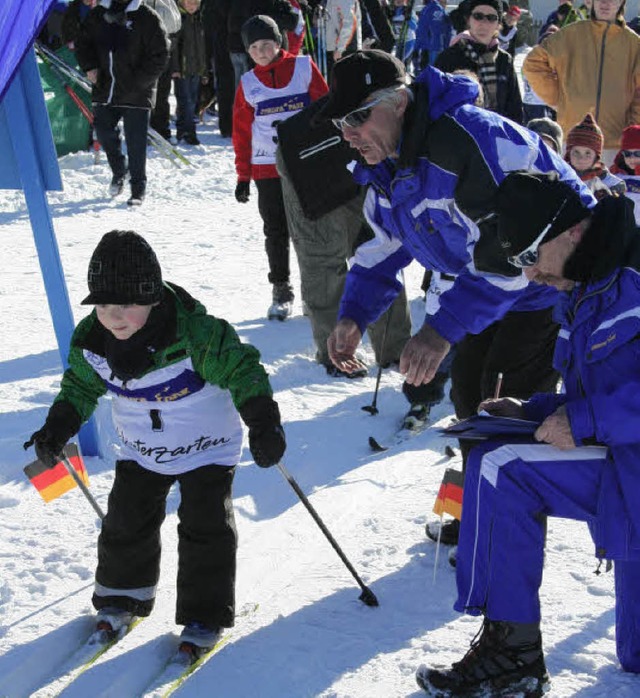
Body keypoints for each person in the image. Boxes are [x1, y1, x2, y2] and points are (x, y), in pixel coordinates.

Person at [317, 50, 593, 545]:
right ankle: (481, 512)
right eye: (341, 121)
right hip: (482, 286)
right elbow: (382, 248)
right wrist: (354, 315)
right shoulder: (387, 165)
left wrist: (438, 330)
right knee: (469, 395)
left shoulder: (469, 141)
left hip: (545, 286)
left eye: (357, 116)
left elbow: (513, 257)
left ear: (399, 101)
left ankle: (508, 529)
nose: (348, 133)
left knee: (505, 402)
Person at [416, 171, 640, 696]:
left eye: (530, 256)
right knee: (636, 658)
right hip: (625, 465)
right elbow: (606, 387)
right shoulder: (589, 287)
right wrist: (533, 410)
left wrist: (583, 422)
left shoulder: (631, 282)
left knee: (505, 470)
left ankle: (511, 656)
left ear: (571, 233)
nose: (531, 274)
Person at [23, 230, 286, 658]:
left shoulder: (199, 335)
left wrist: (263, 422)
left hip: (208, 447)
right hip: (142, 450)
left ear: (152, 298)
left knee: (205, 528)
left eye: (126, 304)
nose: (114, 317)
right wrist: (57, 428)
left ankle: (204, 614)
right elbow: (79, 388)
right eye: (104, 306)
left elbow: (243, 370)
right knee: (124, 523)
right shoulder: (92, 341)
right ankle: (120, 597)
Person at [276, 96, 412, 376]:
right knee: (323, 262)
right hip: (306, 166)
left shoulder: (397, 116)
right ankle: (334, 353)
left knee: (380, 254)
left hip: (359, 166)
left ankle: (394, 350)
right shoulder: (374, 112)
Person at [232, 15, 328, 320]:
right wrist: (243, 176)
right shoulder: (247, 84)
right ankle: (281, 287)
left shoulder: (303, 67)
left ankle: (318, 289)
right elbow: (242, 132)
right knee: (275, 229)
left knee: (312, 227)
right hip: (266, 168)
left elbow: (325, 109)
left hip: (306, 164)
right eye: (255, 47)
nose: (262, 51)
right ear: (248, 52)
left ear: (279, 42)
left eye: (267, 44)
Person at [76, 0, 170, 206]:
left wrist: (138, 82)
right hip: (105, 88)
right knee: (102, 131)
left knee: (136, 143)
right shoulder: (98, 14)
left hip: (137, 91)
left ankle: (138, 188)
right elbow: (83, 42)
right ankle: (119, 169)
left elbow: (160, 54)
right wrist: (90, 66)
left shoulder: (147, 17)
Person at [524, 0, 640, 164]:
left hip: (615, 148)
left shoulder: (634, 44)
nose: (605, 3)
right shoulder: (571, 34)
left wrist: (632, 128)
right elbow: (533, 63)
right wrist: (560, 99)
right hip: (572, 143)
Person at [434, 0, 523, 124]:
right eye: (478, 16)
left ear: (498, 24)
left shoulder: (504, 60)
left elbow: (515, 109)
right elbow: (434, 105)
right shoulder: (449, 57)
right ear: (468, 20)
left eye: (491, 18)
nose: (484, 23)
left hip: (496, 135)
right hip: (458, 136)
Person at [172, 0, 208, 145]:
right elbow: (174, 47)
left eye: (195, 3)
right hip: (183, 69)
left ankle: (182, 129)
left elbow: (203, 49)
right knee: (185, 100)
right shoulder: (179, 20)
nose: (192, 6)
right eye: (189, 3)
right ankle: (189, 131)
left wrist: (204, 71)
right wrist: (175, 68)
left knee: (192, 101)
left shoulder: (199, 21)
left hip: (197, 69)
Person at [564, 112, 626, 198]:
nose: (581, 159)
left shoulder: (603, 178)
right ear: (568, 154)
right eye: (576, 152)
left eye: (588, 153)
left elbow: (620, 186)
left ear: (596, 157)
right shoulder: (561, 175)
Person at [146, 0, 183, 142]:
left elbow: (176, 24)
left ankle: (161, 128)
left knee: (163, 92)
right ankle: (146, 129)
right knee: (149, 92)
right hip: (149, 47)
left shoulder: (169, 3)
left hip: (167, 45)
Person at [324, 0, 363, 81]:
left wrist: (340, 48)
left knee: (345, 84)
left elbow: (349, 23)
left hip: (345, 48)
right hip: (340, 47)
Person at [611, 123, 640, 222]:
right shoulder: (616, 176)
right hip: (623, 229)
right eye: (627, 154)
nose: (632, 158)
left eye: (637, 153)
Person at [415, 0, 452, 69]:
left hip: (429, 47)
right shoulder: (434, 8)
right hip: (432, 47)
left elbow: (433, 29)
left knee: (430, 70)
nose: (446, 3)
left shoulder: (430, 8)